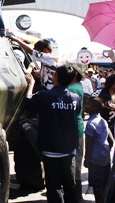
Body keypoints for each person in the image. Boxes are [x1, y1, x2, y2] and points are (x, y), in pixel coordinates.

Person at [24, 65, 81, 203]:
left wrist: (30, 84)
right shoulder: (75, 98)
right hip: (69, 149)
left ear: (55, 77)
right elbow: (76, 114)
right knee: (69, 185)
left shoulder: (45, 95)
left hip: (51, 149)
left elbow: (28, 103)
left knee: (54, 186)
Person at [84, 96, 113, 203]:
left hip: (95, 160)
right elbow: (111, 141)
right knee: (104, 184)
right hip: (105, 158)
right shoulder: (103, 121)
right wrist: (105, 151)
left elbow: (89, 144)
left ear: (94, 108)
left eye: (88, 104)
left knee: (96, 185)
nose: (85, 106)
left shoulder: (91, 124)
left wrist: (86, 160)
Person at [67, 64, 85, 203]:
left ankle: (77, 197)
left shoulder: (71, 89)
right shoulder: (77, 86)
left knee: (74, 165)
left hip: (73, 130)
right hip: (76, 128)